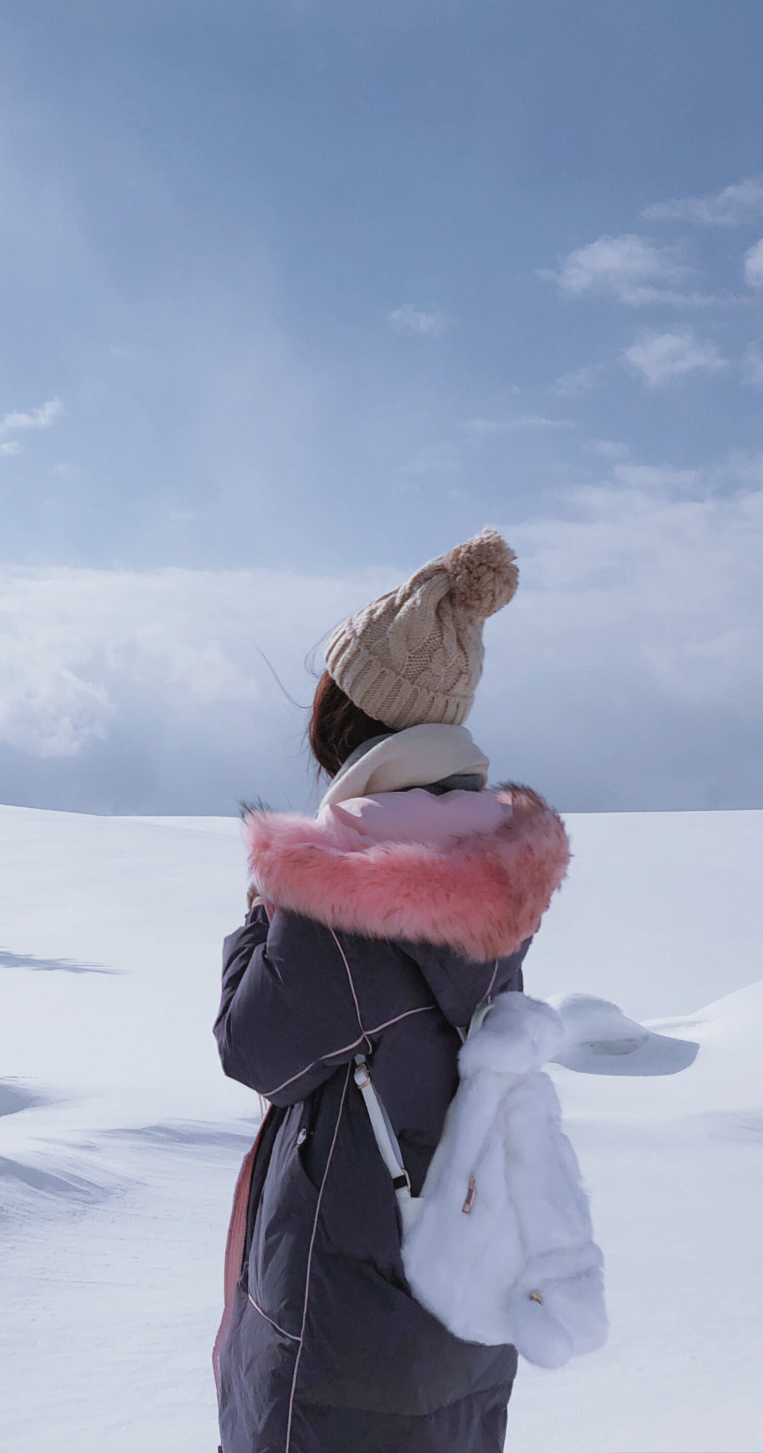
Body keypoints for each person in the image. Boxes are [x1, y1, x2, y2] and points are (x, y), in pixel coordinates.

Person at [213, 530, 572, 1453]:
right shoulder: (492, 864)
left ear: (356, 716)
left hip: (339, 1346)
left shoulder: (346, 890)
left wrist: (265, 910)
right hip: (464, 1315)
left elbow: (250, 1045)